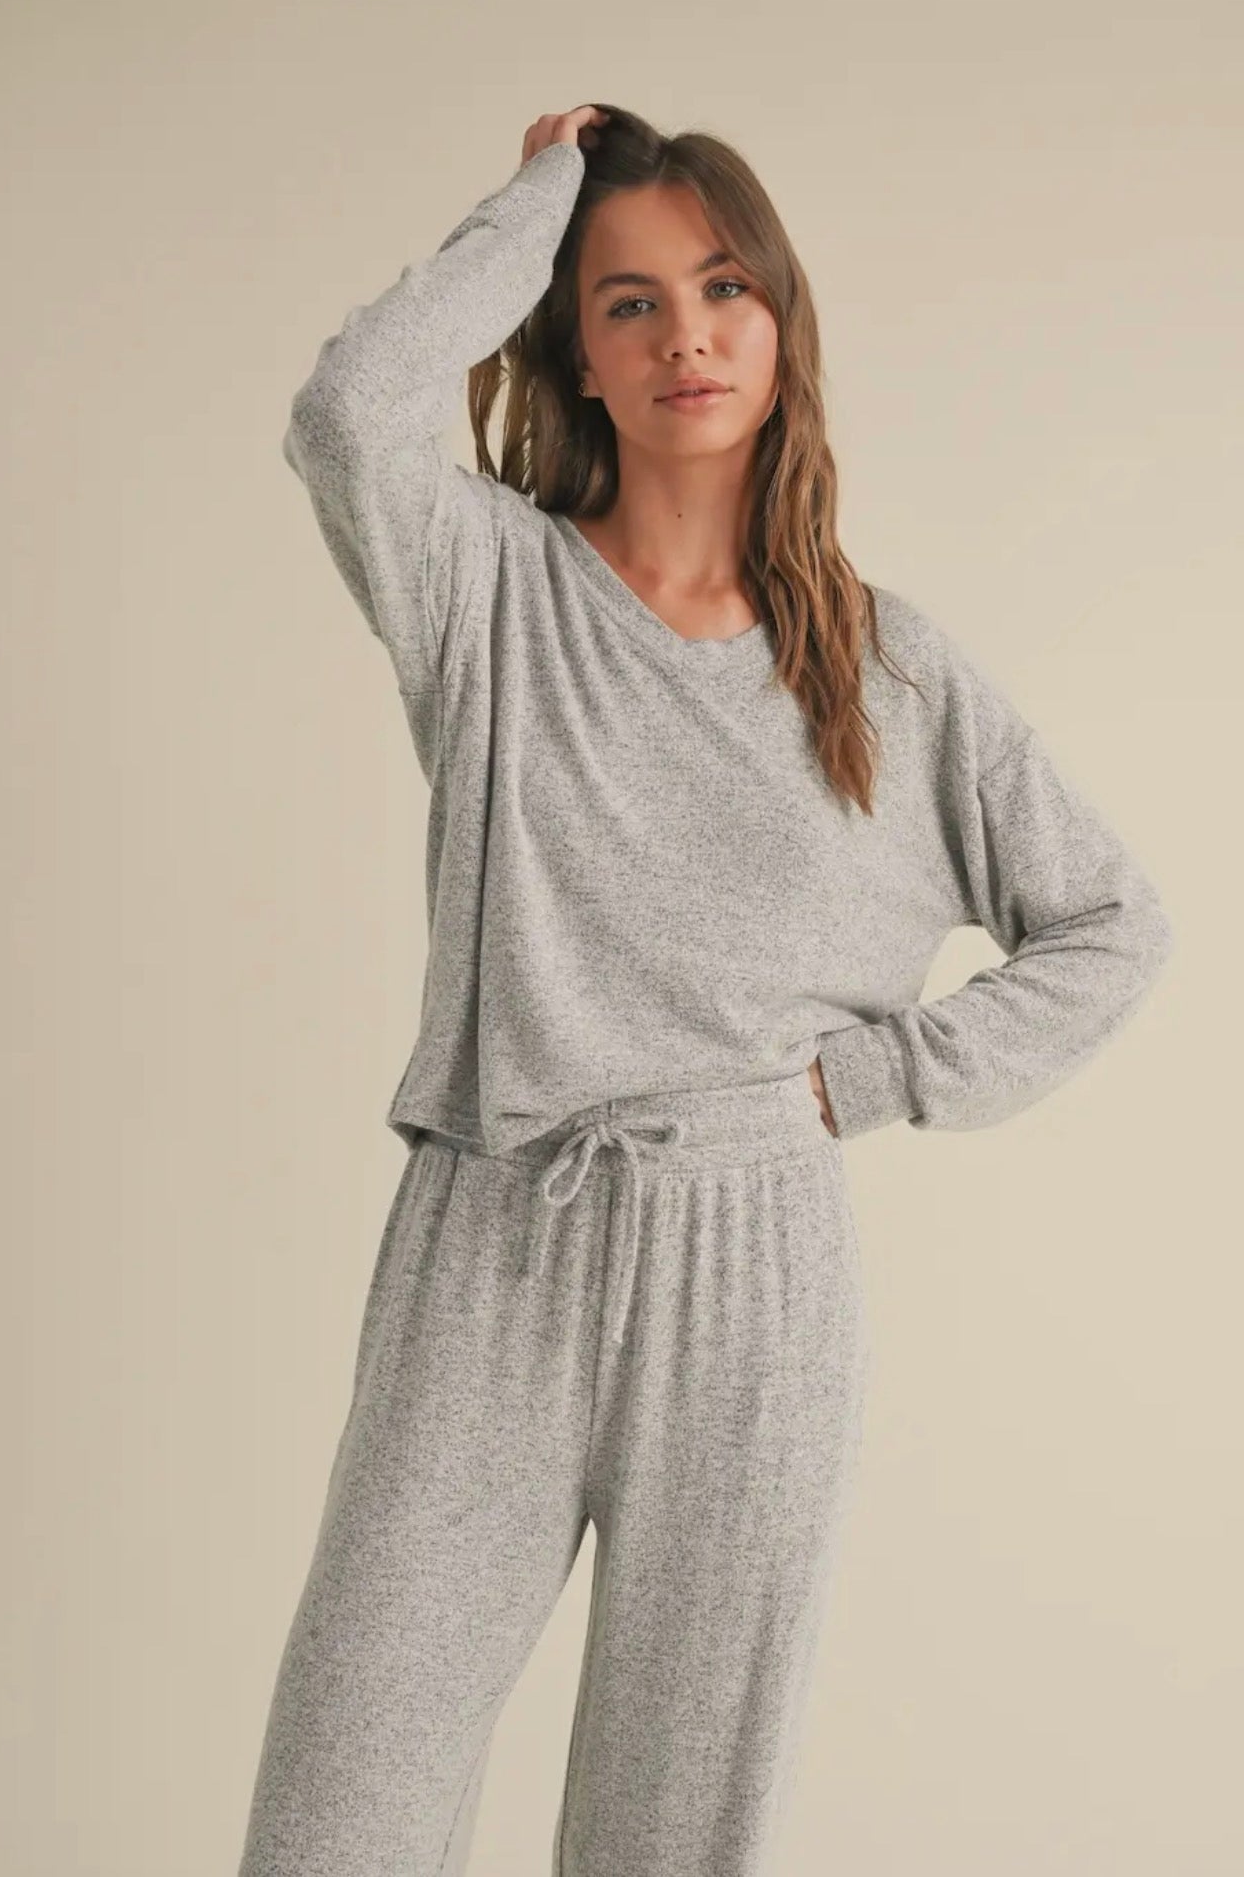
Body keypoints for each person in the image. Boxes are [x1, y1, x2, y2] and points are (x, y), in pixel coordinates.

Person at [236, 104, 1174, 1877]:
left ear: (781, 321)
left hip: (755, 1274)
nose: (686, 335)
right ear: (576, 353)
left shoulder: (892, 675)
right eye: (630, 302)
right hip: (492, 1241)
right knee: (337, 1816)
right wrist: (541, 197)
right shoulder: (489, 591)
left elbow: (1114, 923)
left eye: (725, 288)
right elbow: (350, 411)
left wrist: (872, 1083)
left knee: (674, 1841)